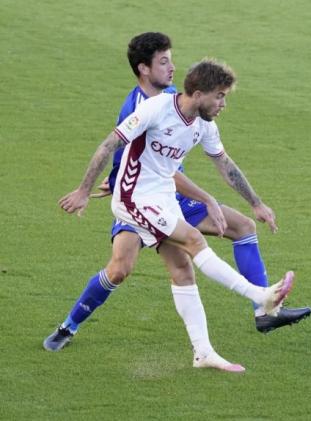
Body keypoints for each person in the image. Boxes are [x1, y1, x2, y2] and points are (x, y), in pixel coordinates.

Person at [47, 57, 297, 372]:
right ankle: (260, 296)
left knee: (180, 269)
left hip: (163, 196)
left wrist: (257, 203)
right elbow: (108, 145)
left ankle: (203, 352)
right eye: (219, 96)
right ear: (199, 92)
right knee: (192, 240)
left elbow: (225, 165)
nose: (223, 104)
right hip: (133, 197)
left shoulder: (204, 125)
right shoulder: (155, 109)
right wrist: (83, 190)